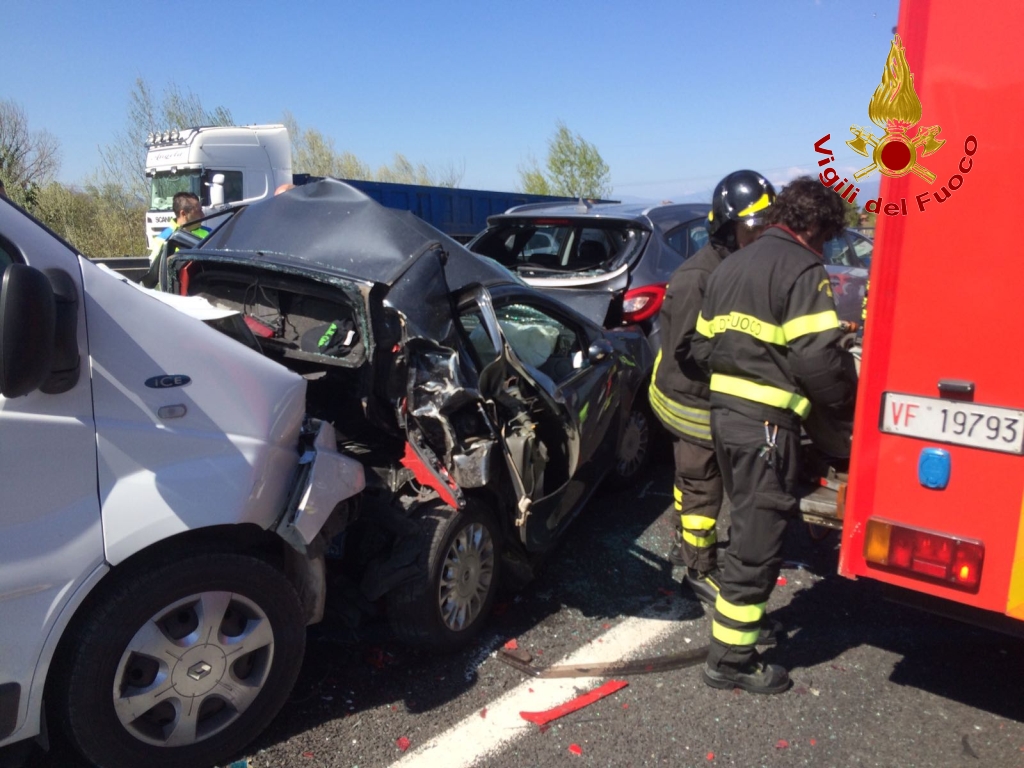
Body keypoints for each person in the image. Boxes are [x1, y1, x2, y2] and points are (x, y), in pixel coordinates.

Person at [691, 176, 855, 694]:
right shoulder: (802, 267)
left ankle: (748, 623)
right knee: (758, 541)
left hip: (726, 419)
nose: (825, 247)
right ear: (811, 227)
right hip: (766, 426)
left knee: (745, 526)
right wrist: (847, 406)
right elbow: (817, 360)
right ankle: (732, 661)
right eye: (826, 236)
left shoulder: (731, 265)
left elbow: (698, 349)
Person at [648, 170, 776, 610]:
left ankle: (695, 547)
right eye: (752, 229)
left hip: (713, 398)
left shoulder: (735, 267)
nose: (759, 238)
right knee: (702, 485)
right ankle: (699, 571)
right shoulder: (696, 278)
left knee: (696, 483)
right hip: (690, 403)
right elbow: (686, 351)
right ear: (726, 227)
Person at [148, 192, 210, 262]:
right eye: (199, 211)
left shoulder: (211, 233)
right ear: (183, 214)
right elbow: (158, 270)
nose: (203, 215)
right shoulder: (162, 240)